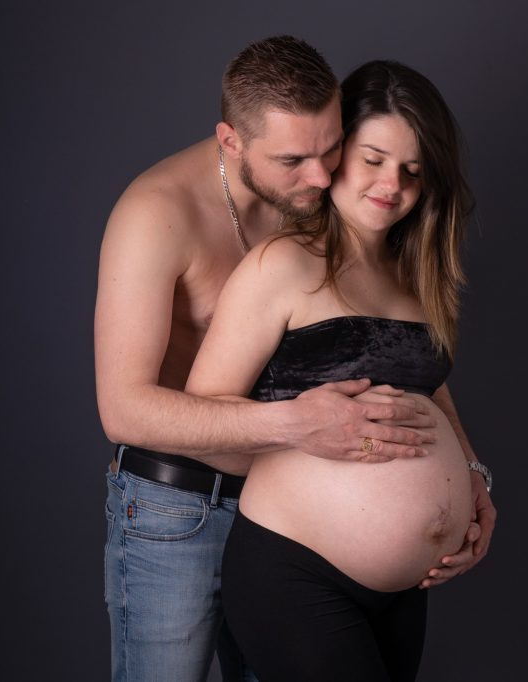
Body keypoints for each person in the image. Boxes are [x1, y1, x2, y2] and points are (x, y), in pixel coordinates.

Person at [96, 37, 496, 682]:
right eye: (293, 159)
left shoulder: (334, 212)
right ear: (231, 141)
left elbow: (401, 367)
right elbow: (123, 409)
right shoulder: (158, 215)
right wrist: (296, 426)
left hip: (291, 511)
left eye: (331, 149)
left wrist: (468, 470)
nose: (319, 176)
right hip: (180, 502)